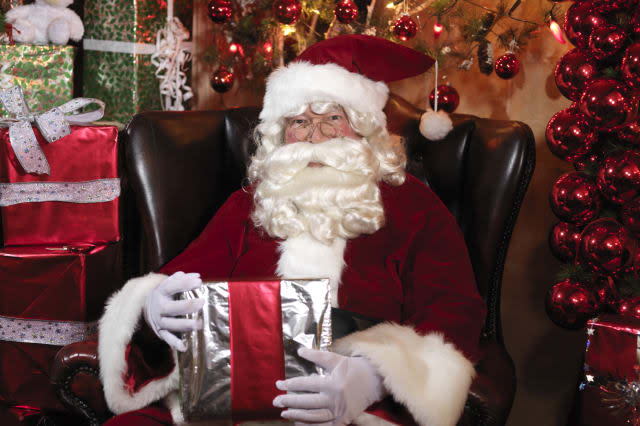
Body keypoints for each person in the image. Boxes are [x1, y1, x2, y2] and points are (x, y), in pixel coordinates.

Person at [98, 35, 486, 426]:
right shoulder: (250, 204)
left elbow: (454, 312)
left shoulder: (414, 206)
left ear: (365, 129)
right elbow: (186, 279)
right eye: (300, 121)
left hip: (357, 411)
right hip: (229, 401)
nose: (315, 136)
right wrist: (152, 307)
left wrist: (373, 378)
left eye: (333, 118)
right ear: (281, 134)